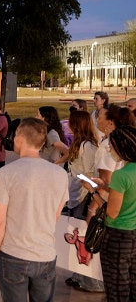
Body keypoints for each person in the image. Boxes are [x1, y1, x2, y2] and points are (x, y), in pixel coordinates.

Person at [0, 118, 69, 302]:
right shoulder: (60, 174)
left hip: (13, 254)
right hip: (45, 255)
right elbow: (56, 214)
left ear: (19, 138)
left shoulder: (6, 173)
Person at [67, 105, 130, 292]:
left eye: (100, 116)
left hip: (104, 201)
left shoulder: (109, 146)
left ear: (109, 122)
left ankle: (93, 281)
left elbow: (106, 181)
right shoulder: (111, 142)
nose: (96, 120)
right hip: (113, 201)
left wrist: (93, 206)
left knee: (94, 239)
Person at [93, 126, 136, 301]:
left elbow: (111, 212)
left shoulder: (121, 175)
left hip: (118, 236)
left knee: (117, 286)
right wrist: (105, 187)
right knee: (133, 283)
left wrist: (94, 193)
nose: (109, 149)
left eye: (111, 145)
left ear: (121, 147)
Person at [65, 111, 98, 215]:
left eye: (70, 122)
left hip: (81, 191)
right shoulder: (78, 142)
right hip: (73, 187)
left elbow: (89, 172)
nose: (67, 124)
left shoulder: (88, 146)